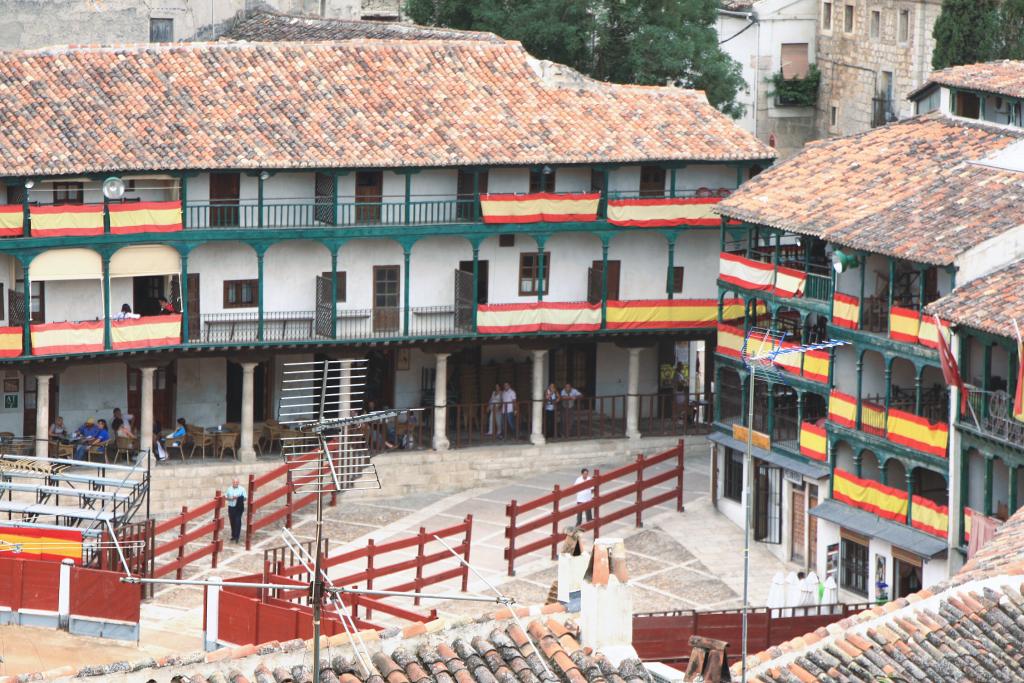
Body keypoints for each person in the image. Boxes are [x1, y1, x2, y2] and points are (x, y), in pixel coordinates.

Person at [225, 477, 247, 543]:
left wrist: (238, 498)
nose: (235, 483)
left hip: (238, 507)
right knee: (232, 521)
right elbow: (225, 497)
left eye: (236, 482)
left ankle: (237, 536)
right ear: (232, 483)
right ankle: (233, 535)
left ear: (238, 483)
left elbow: (245, 498)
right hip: (231, 507)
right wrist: (231, 498)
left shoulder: (242, 489)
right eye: (234, 482)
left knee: (237, 521)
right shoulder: (229, 489)